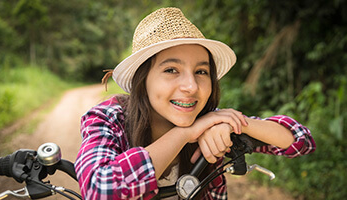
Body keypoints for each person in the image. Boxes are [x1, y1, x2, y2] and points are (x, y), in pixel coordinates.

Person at [75, 7, 316, 199]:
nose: (191, 86)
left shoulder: (211, 122)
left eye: (201, 72)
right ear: (143, 80)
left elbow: (300, 141)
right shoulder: (109, 117)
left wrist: (233, 125)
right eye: (171, 69)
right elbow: (100, 190)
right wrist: (185, 134)